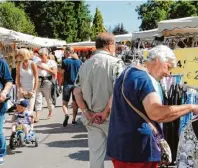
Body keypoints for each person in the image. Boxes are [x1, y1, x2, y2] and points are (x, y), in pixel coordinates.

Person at [106, 45, 198, 168]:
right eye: (168, 67)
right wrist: (191, 107)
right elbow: (157, 113)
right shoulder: (144, 79)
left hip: (120, 147)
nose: (168, 73)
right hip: (139, 151)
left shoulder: (127, 73)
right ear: (158, 60)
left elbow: (111, 103)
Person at [73, 32, 124, 168]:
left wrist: (85, 111)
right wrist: (105, 111)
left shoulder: (85, 65)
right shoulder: (115, 63)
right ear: (109, 45)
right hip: (111, 117)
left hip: (91, 117)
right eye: (114, 45)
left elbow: (77, 91)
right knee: (120, 155)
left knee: (95, 155)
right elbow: (118, 91)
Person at [59, 47, 82, 127]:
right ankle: (74, 119)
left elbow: (62, 74)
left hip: (67, 84)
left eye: (65, 52)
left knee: (64, 103)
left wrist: (59, 84)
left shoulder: (65, 61)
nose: (64, 54)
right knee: (75, 103)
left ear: (68, 53)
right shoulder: (79, 61)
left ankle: (66, 114)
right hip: (76, 85)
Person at [35, 48, 57, 122]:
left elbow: (54, 73)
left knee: (48, 98)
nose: (40, 57)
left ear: (46, 55)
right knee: (38, 98)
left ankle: (50, 111)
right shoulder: (37, 62)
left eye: (42, 55)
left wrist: (44, 68)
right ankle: (37, 116)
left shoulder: (51, 62)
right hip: (38, 81)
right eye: (39, 55)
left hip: (47, 81)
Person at [0, 54, 13, 165]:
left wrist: (4, 93)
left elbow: (9, 81)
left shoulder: (1, 62)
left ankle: (0, 154)